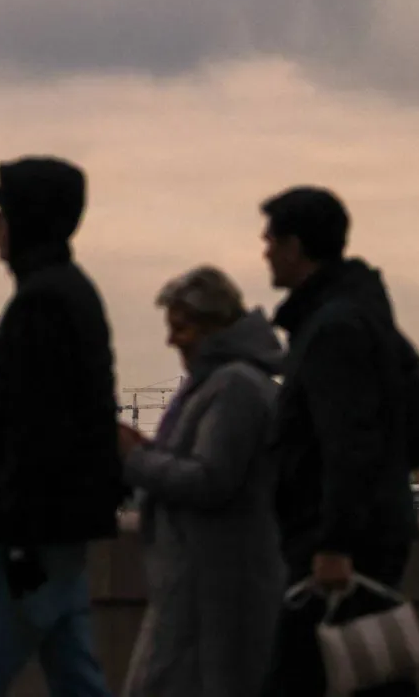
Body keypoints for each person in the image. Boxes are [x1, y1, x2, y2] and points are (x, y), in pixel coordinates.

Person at [0, 156, 124, 697]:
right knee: (76, 677)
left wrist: (12, 530)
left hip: (29, 535)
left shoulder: (44, 303)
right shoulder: (68, 294)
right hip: (56, 530)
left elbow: (36, 431)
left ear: (30, 220)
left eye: (3, 213)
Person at [258, 187, 419, 697]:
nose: (263, 251)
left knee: (301, 677)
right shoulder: (360, 312)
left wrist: (335, 542)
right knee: (371, 678)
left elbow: (346, 443)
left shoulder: (331, 328)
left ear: (295, 246)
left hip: (335, 546)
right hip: (362, 532)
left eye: (270, 240)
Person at [117, 266, 285, 697]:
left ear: (214, 326)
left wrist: (134, 458)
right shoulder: (224, 382)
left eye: (182, 328)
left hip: (211, 598)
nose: (172, 341)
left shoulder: (233, 388)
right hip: (205, 591)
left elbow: (211, 479)